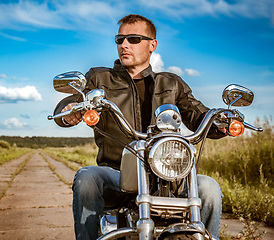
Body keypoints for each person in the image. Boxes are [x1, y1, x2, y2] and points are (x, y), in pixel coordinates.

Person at [53, 14, 225, 240]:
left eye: (133, 39)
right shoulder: (100, 78)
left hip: (166, 176)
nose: (124, 45)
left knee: (209, 188)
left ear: (152, 44)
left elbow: (198, 114)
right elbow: (69, 104)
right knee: (87, 178)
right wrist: (71, 110)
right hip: (116, 173)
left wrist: (221, 122)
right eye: (119, 39)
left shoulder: (171, 83)